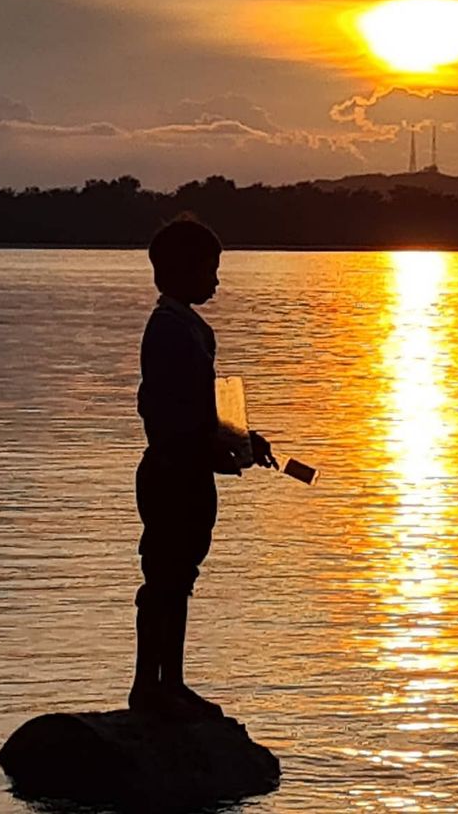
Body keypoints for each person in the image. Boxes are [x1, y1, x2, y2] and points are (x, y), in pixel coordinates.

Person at [129, 217, 278, 717]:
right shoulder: (172, 330)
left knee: (177, 578)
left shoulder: (183, 328)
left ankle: (167, 682)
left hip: (184, 472)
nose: (216, 281)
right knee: (165, 582)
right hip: (174, 475)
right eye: (210, 270)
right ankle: (152, 686)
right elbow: (170, 411)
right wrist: (214, 446)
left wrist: (239, 439)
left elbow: (197, 410)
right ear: (182, 271)